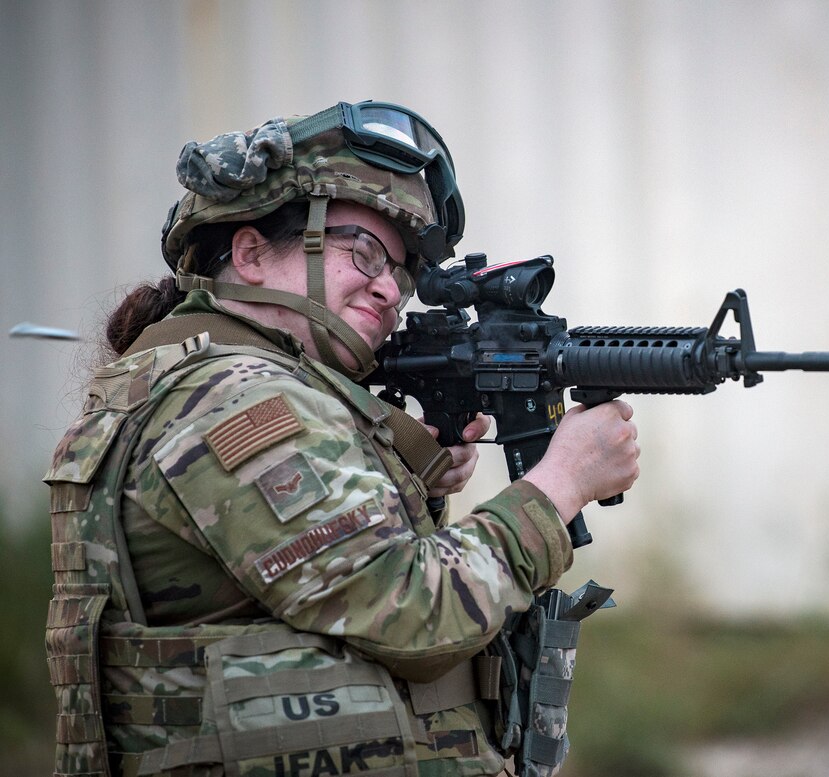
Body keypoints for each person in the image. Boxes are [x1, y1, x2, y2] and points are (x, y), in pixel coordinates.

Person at [44, 100, 639, 777]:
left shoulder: (204, 383)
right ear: (252, 253)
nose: (390, 288)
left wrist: (414, 484)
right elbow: (416, 613)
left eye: (402, 272)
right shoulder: (239, 397)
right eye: (364, 252)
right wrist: (560, 483)